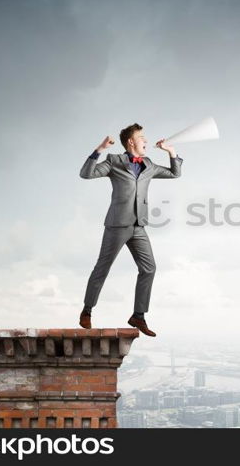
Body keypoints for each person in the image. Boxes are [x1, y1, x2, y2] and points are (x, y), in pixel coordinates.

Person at [78, 123, 183, 336]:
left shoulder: (149, 164)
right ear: (131, 142)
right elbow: (86, 174)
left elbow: (174, 174)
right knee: (103, 267)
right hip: (117, 224)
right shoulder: (114, 161)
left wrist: (171, 152)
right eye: (141, 137)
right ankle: (87, 310)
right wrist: (99, 150)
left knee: (149, 268)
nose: (145, 141)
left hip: (139, 226)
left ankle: (139, 315)